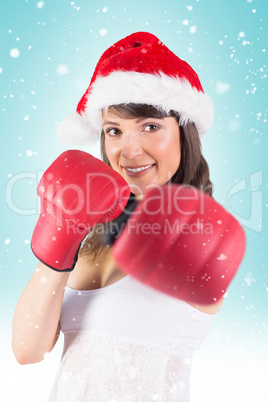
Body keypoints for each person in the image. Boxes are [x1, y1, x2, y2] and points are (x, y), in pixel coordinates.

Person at [12, 32, 246, 401]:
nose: (130, 149)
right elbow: (28, 351)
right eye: (114, 131)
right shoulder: (88, 233)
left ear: (184, 135)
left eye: (150, 126)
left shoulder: (200, 235)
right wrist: (58, 241)